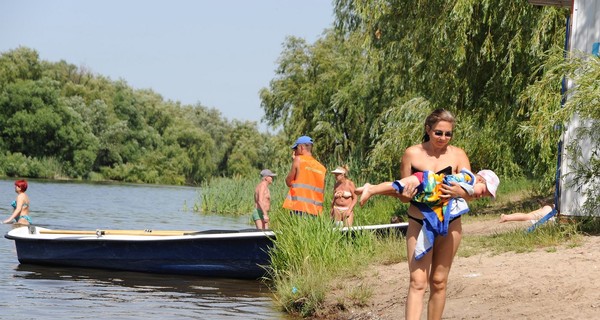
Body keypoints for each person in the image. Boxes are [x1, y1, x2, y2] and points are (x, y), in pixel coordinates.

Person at [395, 109, 476, 320]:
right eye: (438, 133)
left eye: (448, 134)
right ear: (428, 129)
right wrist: (406, 194)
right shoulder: (411, 154)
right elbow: (402, 196)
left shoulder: (458, 155)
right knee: (417, 281)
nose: (443, 138)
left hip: (449, 223)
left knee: (439, 281)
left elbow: (472, 190)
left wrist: (461, 191)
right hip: (419, 222)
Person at [356, 168, 499, 259]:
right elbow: (463, 188)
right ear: (480, 179)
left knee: (397, 189)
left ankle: (371, 189)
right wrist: (469, 192)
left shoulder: (469, 185)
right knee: (397, 185)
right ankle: (371, 189)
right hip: (425, 180)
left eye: (484, 196)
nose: (480, 196)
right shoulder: (468, 179)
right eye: (483, 192)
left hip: (427, 192)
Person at [282, 135, 327, 217]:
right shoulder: (322, 168)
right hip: (315, 210)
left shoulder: (298, 160)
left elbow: (288, 182)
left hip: (299, 207)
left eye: (296, 148)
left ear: (302, 147)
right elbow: (322, 190)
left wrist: (294, 161)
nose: (295, 151)